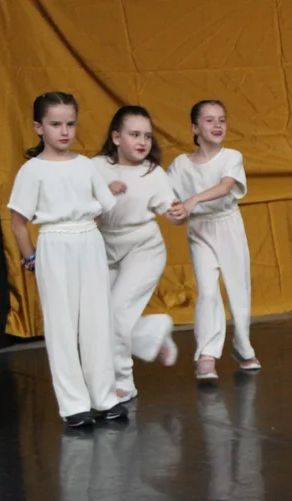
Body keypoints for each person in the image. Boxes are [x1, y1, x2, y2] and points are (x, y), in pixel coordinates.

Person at [8, 92, 127, 428]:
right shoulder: (32, 170)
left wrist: (87, 228)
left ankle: (104, 397)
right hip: (54, 242)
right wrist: (31, 258)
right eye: (56, 124)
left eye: (70, 124)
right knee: (61, 325)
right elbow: (18, 223)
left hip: (88, 241)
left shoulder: (85, 165)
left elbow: (102, 207)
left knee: (97, 321)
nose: (64, 131)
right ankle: (74, 404)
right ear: (39, 127)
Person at [92, 105, 184, 401]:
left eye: (147, 136)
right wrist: (104, 193)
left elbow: (171, 213)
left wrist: (180, 213)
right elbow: (81, 209)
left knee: (119, 312)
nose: (142, 141)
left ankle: (123, 381)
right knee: (101, 318)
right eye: (134, 134)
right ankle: (153, 331)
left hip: (144, 248)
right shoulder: (95, 167)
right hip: (105, 247)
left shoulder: (153, 173)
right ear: (116, 137)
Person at [166, 100, 260, 383]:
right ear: (195, 128)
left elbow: (226, 186)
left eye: (222, 119)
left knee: (238, 291)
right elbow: (166, 198)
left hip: (228, 226)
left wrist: (193, 200)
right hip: (200, 230)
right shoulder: (180, 165)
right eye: (209, 120)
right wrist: (177, 212)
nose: (218, 125)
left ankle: (242, 347)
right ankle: (206, 355)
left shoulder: (231, 156)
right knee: (207, 292)